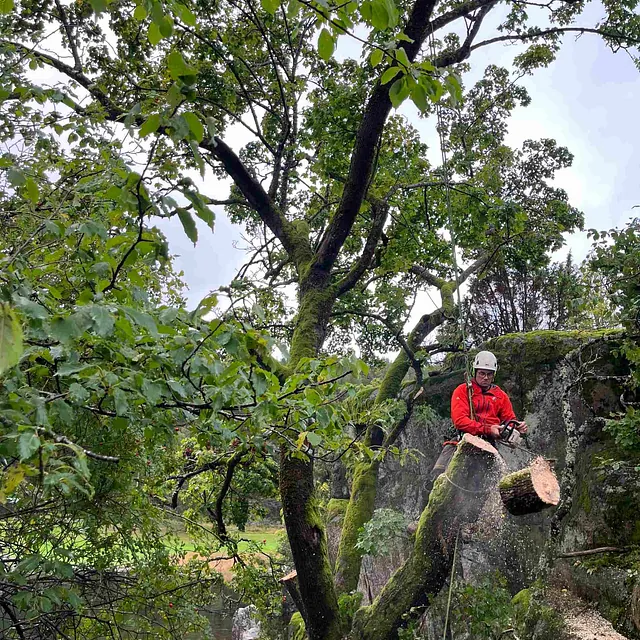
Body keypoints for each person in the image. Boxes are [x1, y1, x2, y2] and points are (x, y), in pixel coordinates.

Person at [450, 350, 527, 442]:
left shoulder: (500, 395)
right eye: (482, 373)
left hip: (489, 441)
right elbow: (460, 421)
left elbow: (509, 419)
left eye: (489, 374)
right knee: (447, 452)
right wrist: (488, 429)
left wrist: (516, 426)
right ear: (475, 372)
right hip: (463, 438)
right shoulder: (463, 390)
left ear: (494, 374)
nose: (486, 377)